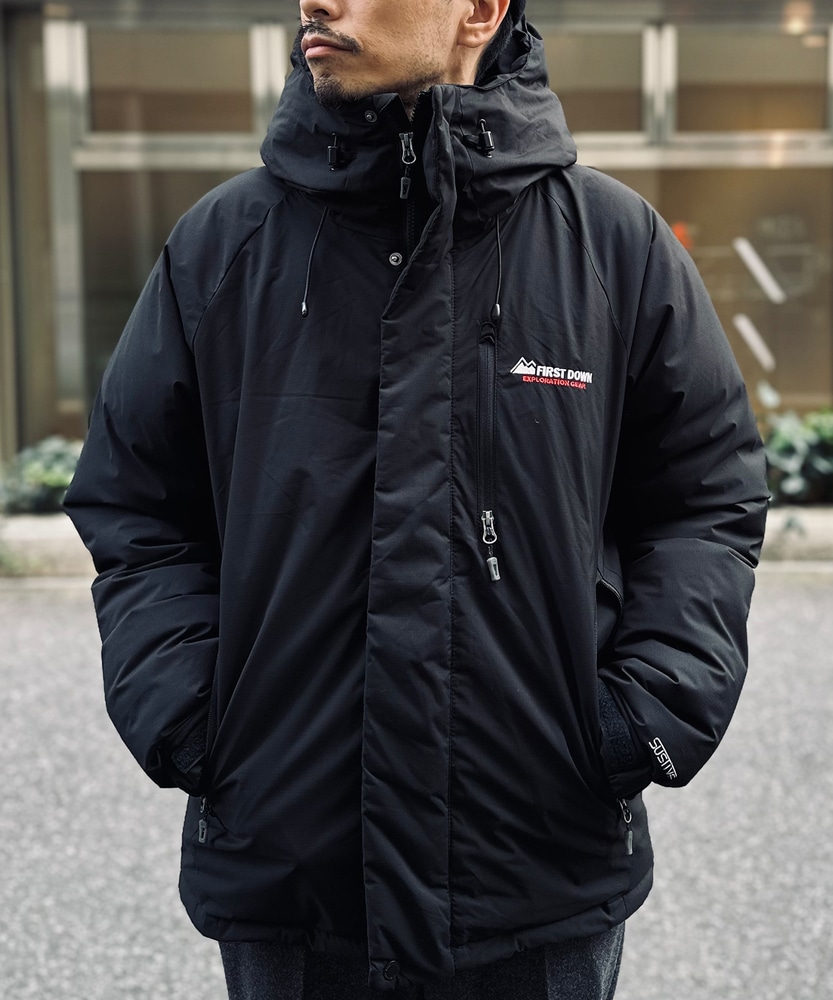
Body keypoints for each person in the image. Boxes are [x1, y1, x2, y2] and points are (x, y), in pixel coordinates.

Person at [64, 0, 769, 997]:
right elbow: (137, 504)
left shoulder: (614, 248)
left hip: (535, 865)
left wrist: (640, 712)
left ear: (480, 9)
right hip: (291, 868)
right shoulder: (222, 248)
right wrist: (190, 714)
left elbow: (705, 496)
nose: (316, 0)